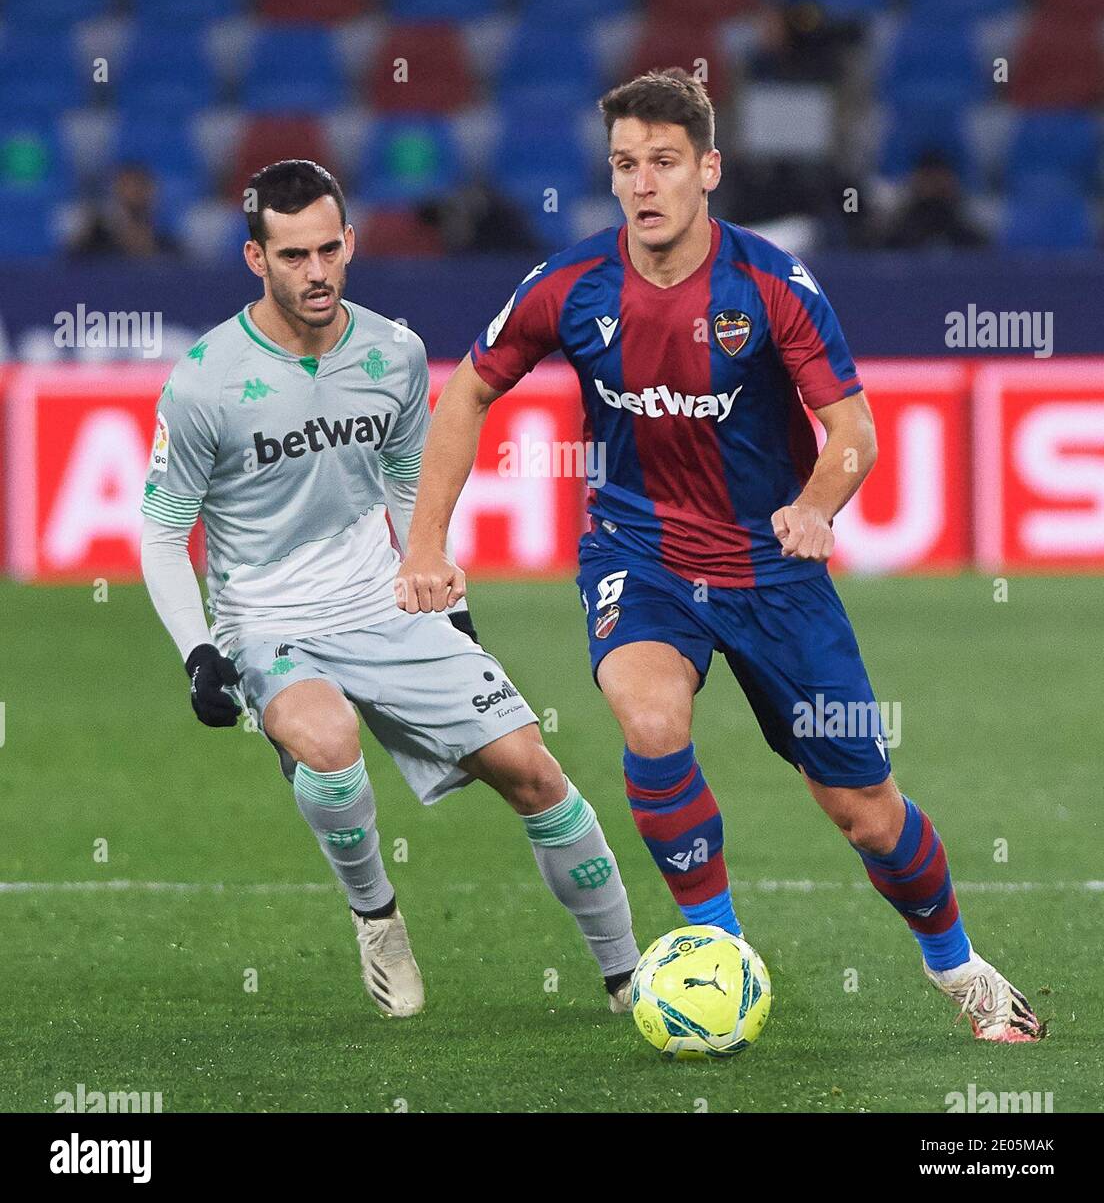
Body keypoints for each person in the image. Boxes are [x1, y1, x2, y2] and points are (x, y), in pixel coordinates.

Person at [395, 70, 1043, 1044]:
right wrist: (425, 542)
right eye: (625, 165)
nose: (644, 183)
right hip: (639, 555)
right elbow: (467, 392)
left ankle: (958, 964)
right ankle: (718, 950)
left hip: (774, 574)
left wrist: (817, 505)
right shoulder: (572, 286)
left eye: (664, 162)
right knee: (650, 719)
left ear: (708, 168)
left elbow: (854, 429)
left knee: (866, 811)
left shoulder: (771, 285)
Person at [139, 159, 639, 1018]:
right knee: (329, 745)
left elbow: (411, 477)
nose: (318, 272)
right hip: (268, 619)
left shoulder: (395, 352)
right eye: (293, 255)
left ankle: (629, 976)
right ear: (255, 259)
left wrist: (442, 587)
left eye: (330, 249)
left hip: (383, 601)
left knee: (534, 772)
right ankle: (377, 917)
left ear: (352, 242)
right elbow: (160, 528)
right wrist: (199, 651)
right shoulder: (204, 381)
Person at [69, 164, 179, 257]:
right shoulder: (92, 248)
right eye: (126, 188)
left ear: (152, 194)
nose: (133, 194)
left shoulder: (169, 250)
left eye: (139, 189)